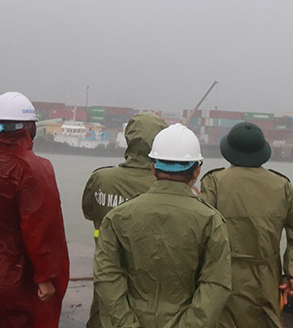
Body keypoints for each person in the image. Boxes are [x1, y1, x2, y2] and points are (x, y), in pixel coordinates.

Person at [94, 123, 232, 328]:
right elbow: (215, 286)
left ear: (153, 167)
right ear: (196, 171)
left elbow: (106, 277)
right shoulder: (211, 221)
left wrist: (126, 324)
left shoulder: (117, 217)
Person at [200, 122, 293, 328]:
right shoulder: (282, 186)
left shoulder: (214, 182)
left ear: (229, 152)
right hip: (266, 279)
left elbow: (199, 229)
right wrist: (292, 276)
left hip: (222, 277)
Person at [0, 92, 70, 328]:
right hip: (16, 280)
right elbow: (41, 228)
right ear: (29, 127)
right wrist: (45, 277)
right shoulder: (35, 169)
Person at [81, 111, 167, 328]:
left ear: (128, 138)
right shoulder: (165, 186)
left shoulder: (102, 179)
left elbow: (89, 212)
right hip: (152, 284)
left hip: (108, 276)